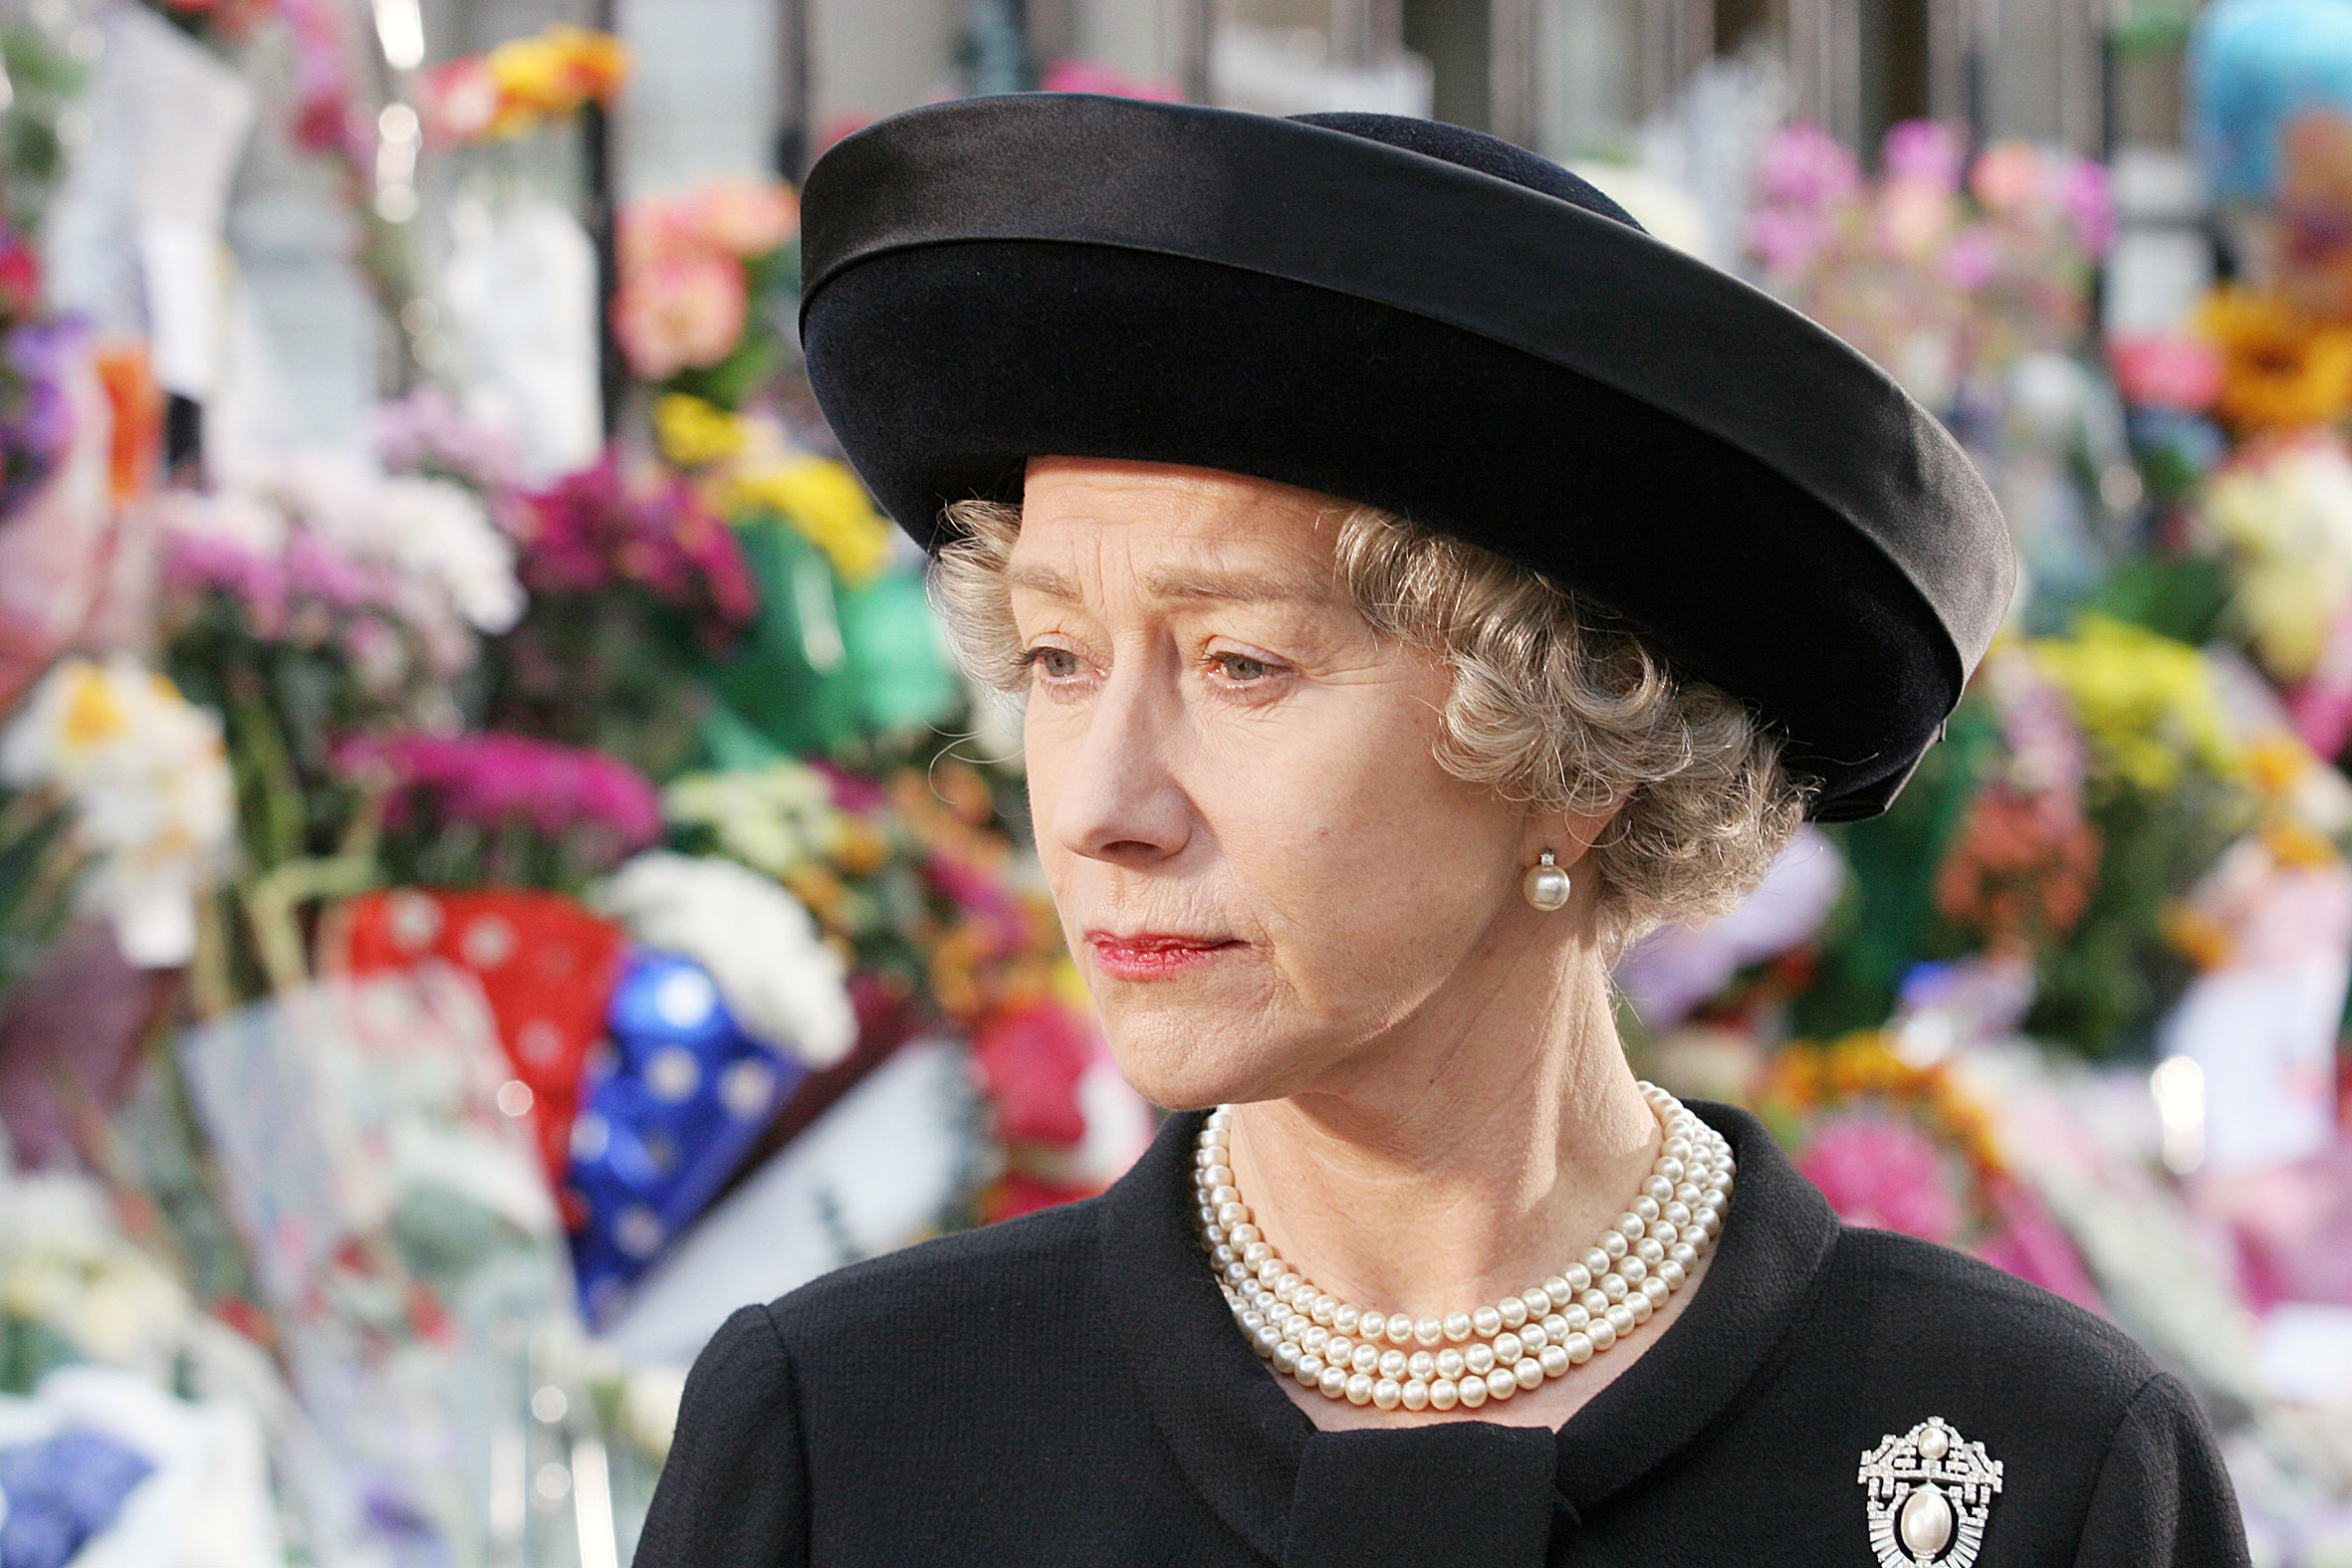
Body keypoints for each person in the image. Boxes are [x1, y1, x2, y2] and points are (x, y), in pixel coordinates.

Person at [634, 96, 2248, 1566]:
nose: (1101, 811)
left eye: (1240, 665)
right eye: (1059, 661)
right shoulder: (850, 1433)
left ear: (1576, 740)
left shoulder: (2033, 1464)